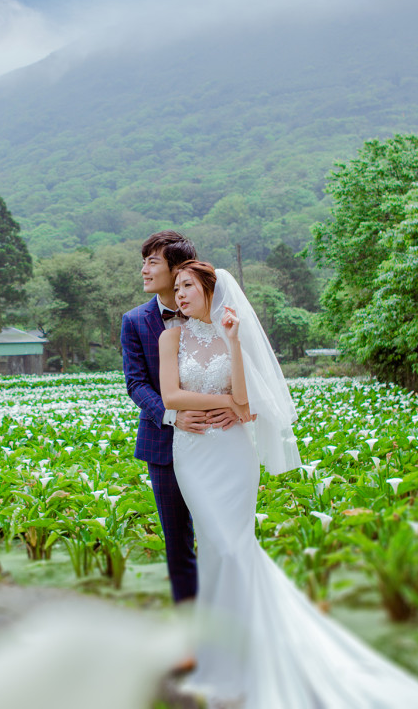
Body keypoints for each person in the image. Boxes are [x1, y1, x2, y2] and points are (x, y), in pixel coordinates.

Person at [159, 259, 418, 708]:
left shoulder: (231, 331)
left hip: (231, 453)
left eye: (189, 286)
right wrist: (225, 401)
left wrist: (234, 345)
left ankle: (245, 656)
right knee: (217, 548)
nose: (180, 294)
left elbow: (246, 404)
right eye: (178, 286)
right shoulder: (172, 336)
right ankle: (222, 659)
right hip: (192, 452)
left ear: (211, 290)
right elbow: (172, 396)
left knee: (232, 547)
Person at [121, 231, 239, 605]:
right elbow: (136, 384)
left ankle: (229, 612)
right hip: (164, 444)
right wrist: (173, 415)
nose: (143, 270)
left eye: (152, 262)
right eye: (144, 262)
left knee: (222, 535)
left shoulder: (220, 320)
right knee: (177, 543)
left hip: (219, 442)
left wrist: (236, 407)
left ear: (176, 270)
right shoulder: (135, 321)